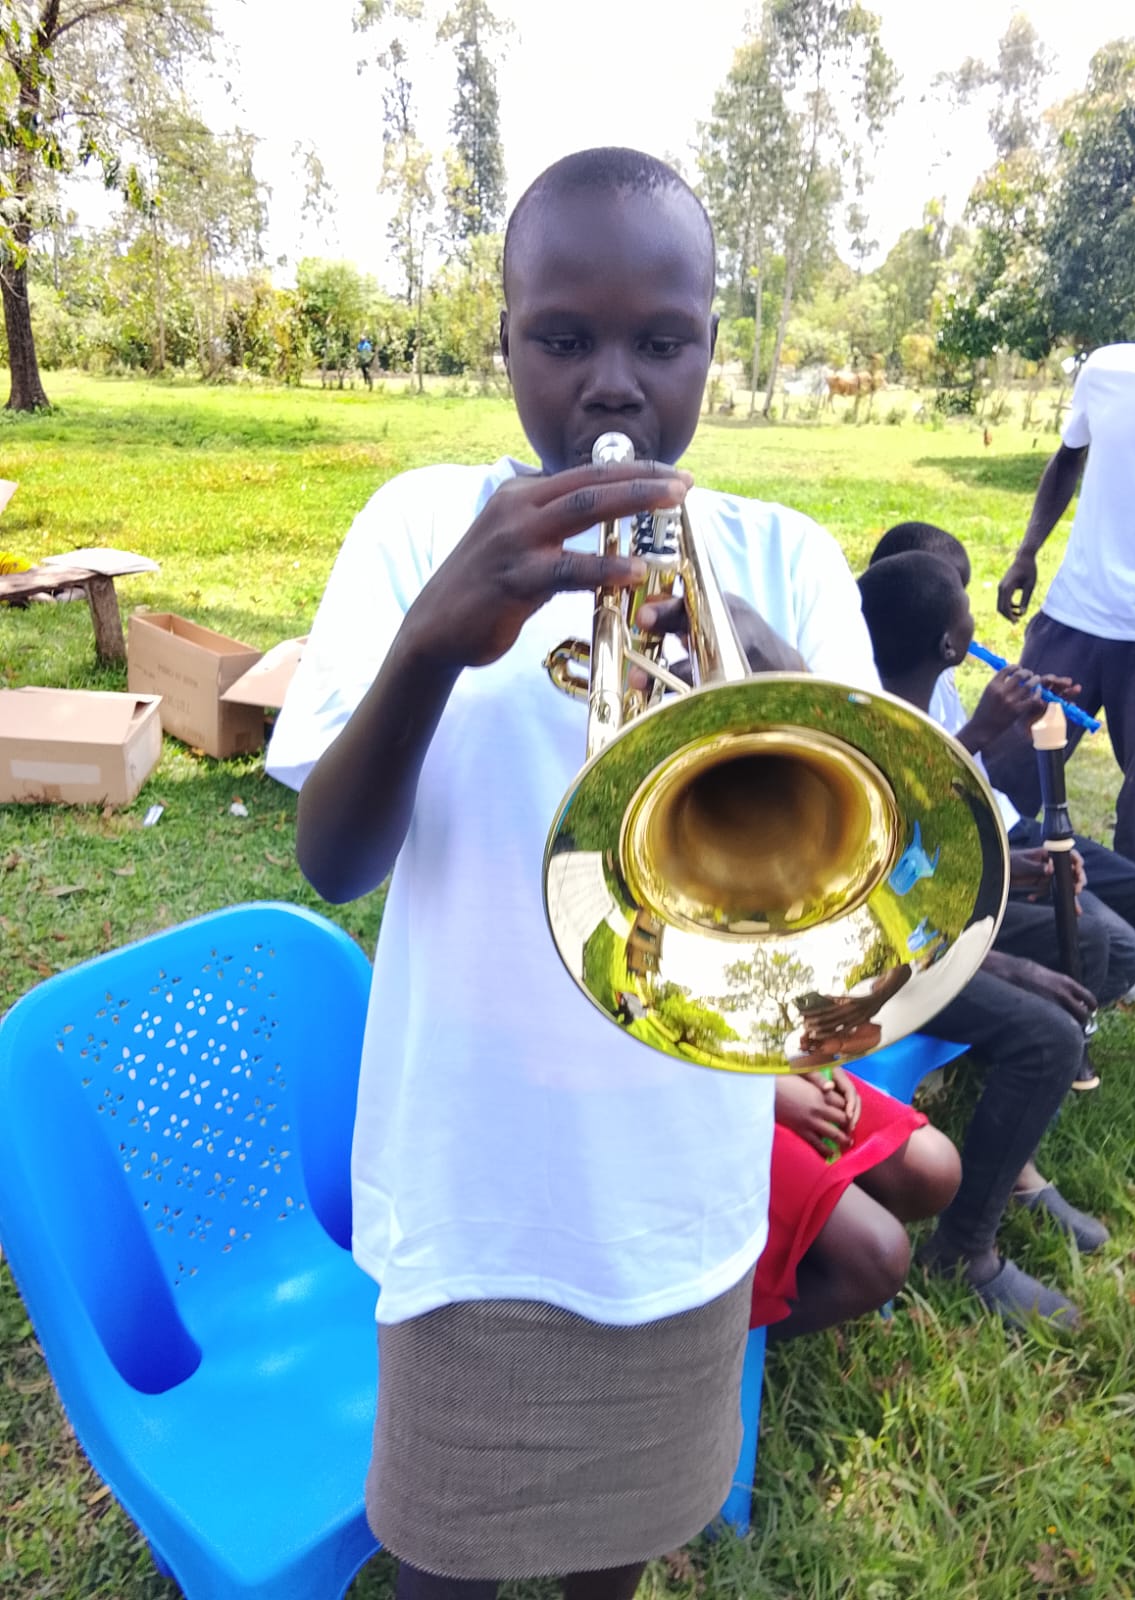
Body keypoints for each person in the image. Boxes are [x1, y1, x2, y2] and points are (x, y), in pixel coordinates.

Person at [265, 149, 882, 1600]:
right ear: (505, 343)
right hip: (477, 1193)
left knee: (617, 1552)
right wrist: (432, 640)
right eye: (564, 339)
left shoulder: (787, 559)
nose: (614, 386)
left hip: (676, 1194)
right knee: (444, 1566)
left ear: (713, 349)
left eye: (661, 342)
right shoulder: (420, 528)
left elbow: (849, 934)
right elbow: (337, 862)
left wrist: (757, 680)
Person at [857, 551, 1127, 1330]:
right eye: (966, 612)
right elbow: (880, 909)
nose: (978, 624)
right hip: (882, 959)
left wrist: (1012, 865)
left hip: (924, 922)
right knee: (1044, 1033)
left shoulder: (931, 702)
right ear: (949, 643)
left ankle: (1015, 1168)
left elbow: (920, 861)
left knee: (1097, 950)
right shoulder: (871, 726)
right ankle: (965, 1251)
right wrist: (999, 961)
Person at [986, 263, 1135, 886]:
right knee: (1012, 762)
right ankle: (981, 883)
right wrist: (1027, 551)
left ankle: (1126, 940)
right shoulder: (1107, 370)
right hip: (1075, 615)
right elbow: (1067, 459)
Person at [870, 521, 1135, 952]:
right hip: (962, 844)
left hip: (1003, 820)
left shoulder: (938, 672)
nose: (966, 609)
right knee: (1113, 946)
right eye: (959, 601)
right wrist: (982, 727)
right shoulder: (877, 685)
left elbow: (974, 762)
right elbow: (903, 794)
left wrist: (1016, 719)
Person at [752, 1060, 962, 1340]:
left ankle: (797, 1254)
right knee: (880, 1257)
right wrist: (767, 1090)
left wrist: (812, 1055)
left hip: (760, 1054)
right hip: (708, 1089)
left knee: (935, 1168)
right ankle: (715, 1334)